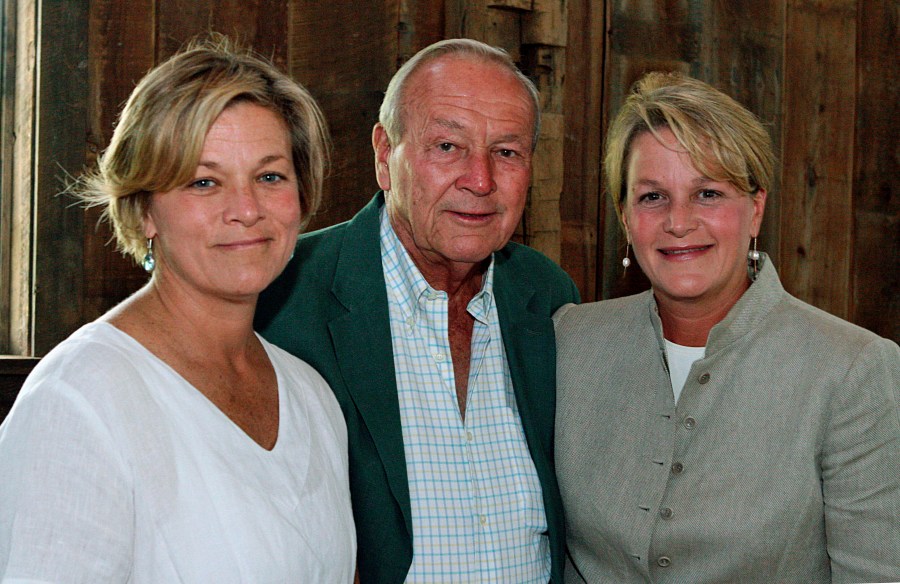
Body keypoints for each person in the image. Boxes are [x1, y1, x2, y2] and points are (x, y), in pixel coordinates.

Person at [0, 37, 356, 582]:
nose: (246, 210)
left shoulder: (311, 395)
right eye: (203, 181)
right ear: (143, 209)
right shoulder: (78, 398)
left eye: (269, 176)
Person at [554, 71, 900, 583]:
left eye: (708, 193)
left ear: (755, 209)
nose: (679, 221)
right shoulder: (571, 343)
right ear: (625, 219)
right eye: (652, 197)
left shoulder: (850, 369)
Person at [256, 38, 580, 582]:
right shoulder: (284, 295)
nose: (480, 180)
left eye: (506, 152)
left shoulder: (546, 298)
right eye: (448, 146)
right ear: (385, 155)